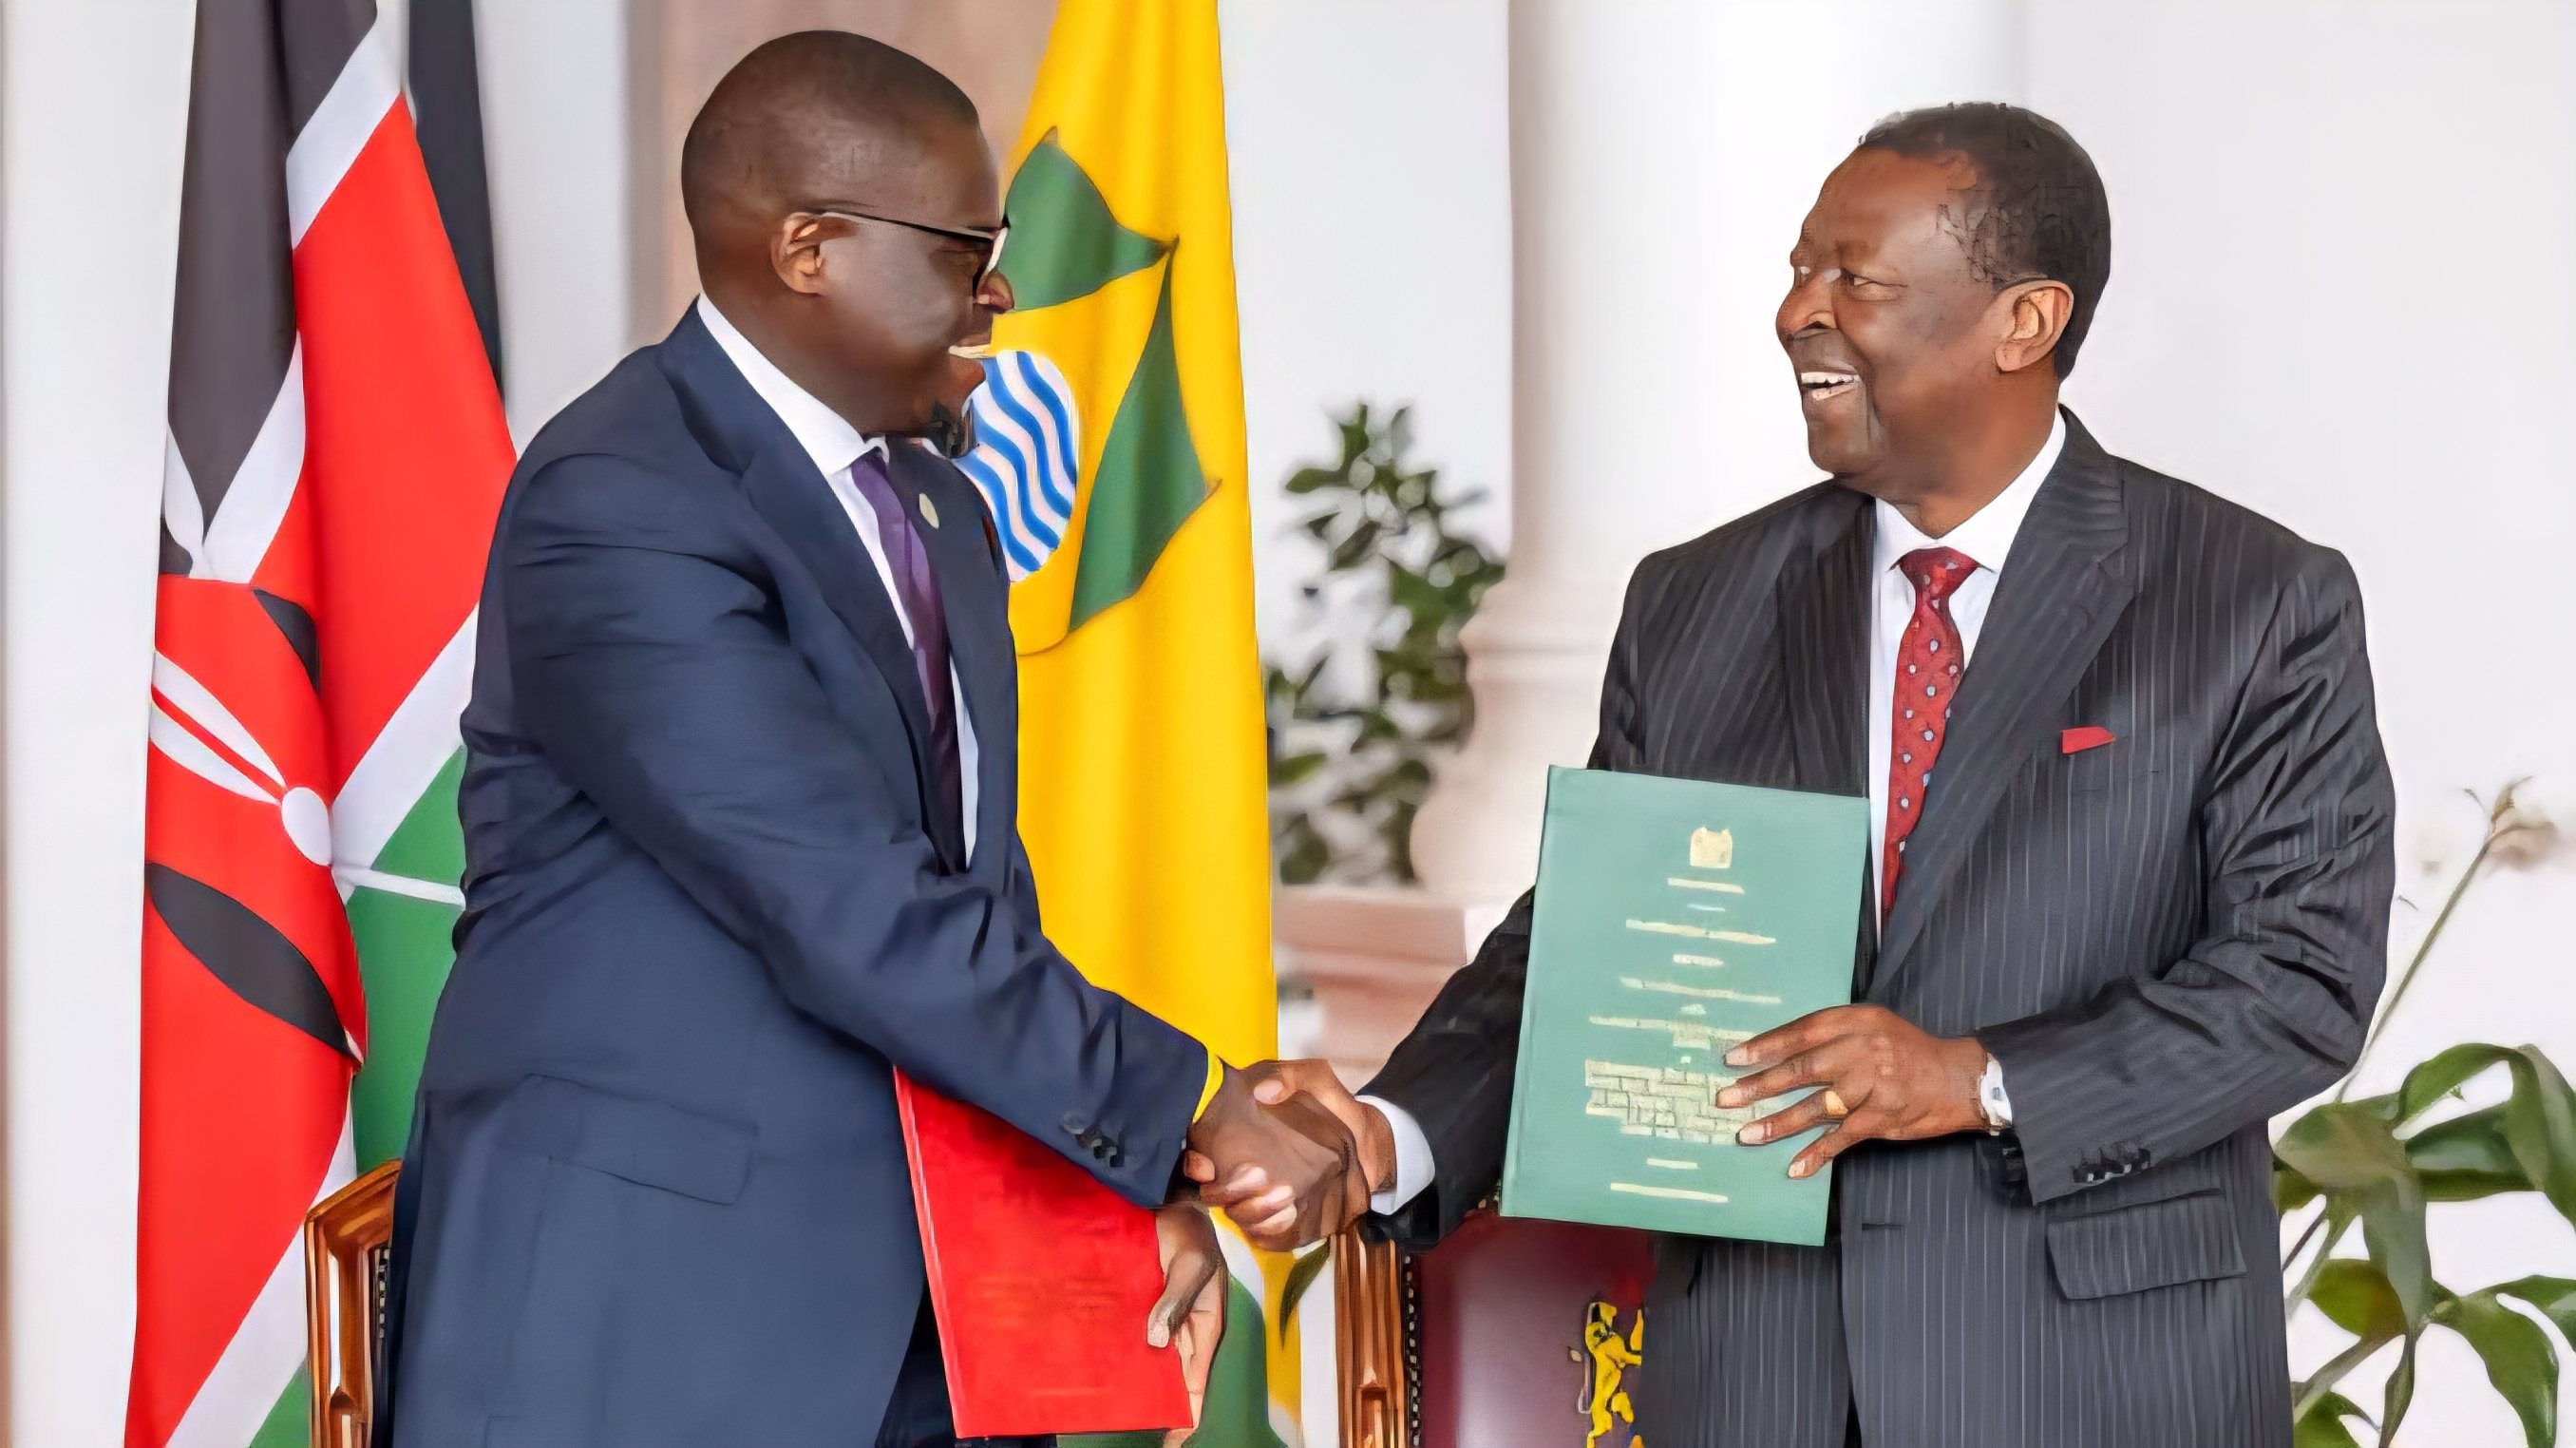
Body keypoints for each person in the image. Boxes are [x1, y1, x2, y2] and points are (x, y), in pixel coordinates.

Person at [1205, 104, 2393, 1448]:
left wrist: (1973, 1076)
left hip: (2092, 1377)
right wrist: (1390, 1131)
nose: (1796, 314)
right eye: (1798, 270)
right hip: (1760, 1372)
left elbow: (2300, 980)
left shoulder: (2250, 601)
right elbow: (1583, 945)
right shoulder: (1696, 601)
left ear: (2026, 320)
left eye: (1855, 279)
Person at [378, 32, 1360, 1448]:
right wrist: (1195, 1107)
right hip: (642, 1328)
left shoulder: (941, 509)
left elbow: (972, 894)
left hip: (908, 1317)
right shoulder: (622, 495)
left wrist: (1125, 1187)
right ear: (810, 247)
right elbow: (846, 898)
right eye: (968, 245)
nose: (1001, 290)